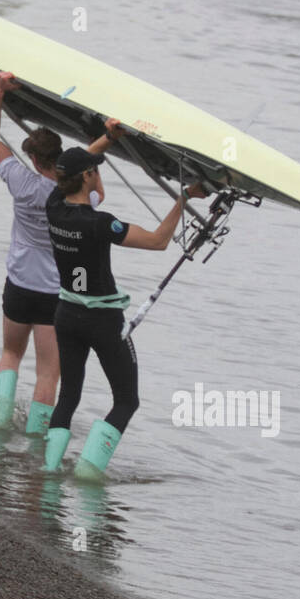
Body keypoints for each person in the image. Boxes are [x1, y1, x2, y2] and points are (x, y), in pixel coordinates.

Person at [44, 143, 206, 479]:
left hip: (65, 315)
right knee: (126, 401)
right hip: (102, 322)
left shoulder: (53, 207)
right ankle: (88, 473)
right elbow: (160, 240)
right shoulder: (100, 223)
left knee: (69, 394)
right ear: (87, 175)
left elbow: (73, 173)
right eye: (95, 169)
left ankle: (49, 469)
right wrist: (184, 198)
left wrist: (107, 137)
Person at [0, 72, 118, 435]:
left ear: (34, 159)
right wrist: (99, 141)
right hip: (52, 294)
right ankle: (35, 441)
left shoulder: (19, 181)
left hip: (18, 285)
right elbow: (94, 188)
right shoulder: (70, 198)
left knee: (10, 354)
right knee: (48, 373)